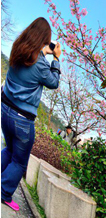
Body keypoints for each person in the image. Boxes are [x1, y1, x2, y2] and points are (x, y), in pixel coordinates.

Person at [1, 18, 61, 211]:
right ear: (45, 39)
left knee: (9, 150)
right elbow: (53, 82)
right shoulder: (41, 64)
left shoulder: (18, 48)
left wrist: (43, 52)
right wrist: (56, 58)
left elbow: (32, 61)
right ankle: (4, 193)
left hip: (4, 108)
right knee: (19, 161)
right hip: (22, 120)